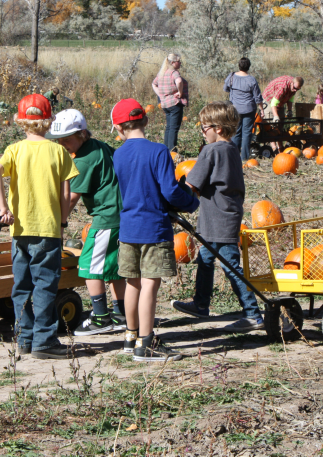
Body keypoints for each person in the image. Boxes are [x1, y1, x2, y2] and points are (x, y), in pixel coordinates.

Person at [111, 99, 199, 361]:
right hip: (153, 227)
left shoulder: (118, 154)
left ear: (118, 128)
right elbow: (170, 190)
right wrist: (190, 202)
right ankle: (146, 344)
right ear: (146, 120)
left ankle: (130, 336)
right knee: (150, 283)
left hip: (128, 228)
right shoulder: (159, 151)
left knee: (132, 283)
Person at [0, 94, 79, 359]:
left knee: (22, 285)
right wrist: (63, 222)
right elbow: (66, 194)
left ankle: (24, 338)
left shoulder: (14, 150)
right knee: (45, 285)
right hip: (47, 231)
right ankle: (44, 341)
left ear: (21, 121)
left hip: (19, 231)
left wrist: (3, 208)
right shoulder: (58, 151)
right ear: (49, 121)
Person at [170, 102, 264, 332]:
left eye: (204, 127)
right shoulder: (232, 149)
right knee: (205, 259)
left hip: (218, 219)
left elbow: (191, 185)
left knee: (230, 265)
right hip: (224, 215)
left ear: (218, 128)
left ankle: (253, 314)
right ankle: (201, 304)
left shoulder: (210, 151)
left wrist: (171, 200)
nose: (202, 131)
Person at [45, 109, 127, 336]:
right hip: (120, 214)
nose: (63, 144)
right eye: (59, 140)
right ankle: (121, 315)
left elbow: (71, 197)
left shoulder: (83, 160)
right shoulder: (99, 146)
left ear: (82, 134)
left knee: (90, 265)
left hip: (107, 217)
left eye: (67, 139)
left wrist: (59, 224)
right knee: (113, 268)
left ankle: (101, 317)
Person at [224, 57, 263, 162]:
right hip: (249, 109)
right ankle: (244, 158)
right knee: (247, 133)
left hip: (235, 109)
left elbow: (225, 89)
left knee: (236, 132)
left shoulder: (231, 77)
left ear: (239, 65)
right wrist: (262, 109)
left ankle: (234, 156)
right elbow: (257, 97)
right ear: (249, 67)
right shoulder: (251, 80)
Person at [152, 53, 189, 151]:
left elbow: (154, 84)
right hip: (174, 103)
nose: (180, 63)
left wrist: (160, 95)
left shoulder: (162, 73)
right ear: (173, 62)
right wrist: (180, 93)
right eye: (179, 61)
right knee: (173, 128)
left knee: (168, 127)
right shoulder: (174, 73)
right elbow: (179, 81)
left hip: (165, 104)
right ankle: (172, 150)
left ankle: (166, 150)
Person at [262, 76, 305, 151]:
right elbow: (273, 103)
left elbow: (290, 99)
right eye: (295, 88)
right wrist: (275, 116)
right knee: (271, 126)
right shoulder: (282, 87)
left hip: (280, 102)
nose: (295, 90)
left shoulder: (294, 88)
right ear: (292, 83)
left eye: (298, 89)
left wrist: (289, 110)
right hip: (269, 100)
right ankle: (274, 149)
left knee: (280, 125)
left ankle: (280, 148)